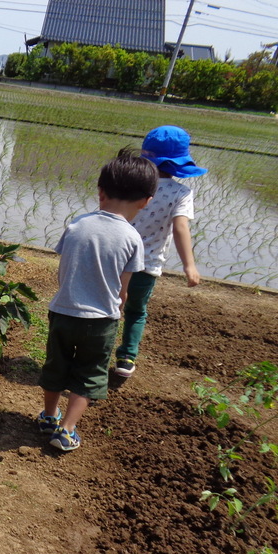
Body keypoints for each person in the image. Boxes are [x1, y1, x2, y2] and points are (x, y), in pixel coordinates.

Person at [37, 149, 158, 452]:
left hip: (63, 312)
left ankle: (49, 417)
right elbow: (123, 290)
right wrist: (118, 303)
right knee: (89, 373)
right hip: (101, 320)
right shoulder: (132, 238)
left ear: (100, 191)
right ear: (146, 201)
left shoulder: (78, 225)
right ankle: (67, 430)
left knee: (56, 365)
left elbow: (64, 270)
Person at [113, 125, 206, 379]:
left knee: (109, 305)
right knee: (135, 311)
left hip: (115, 259)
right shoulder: (180, 193)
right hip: (146, 265)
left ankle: (97, 351)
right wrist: (189, 265)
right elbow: (180, 227)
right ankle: (126, 358)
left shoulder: (132, 183)